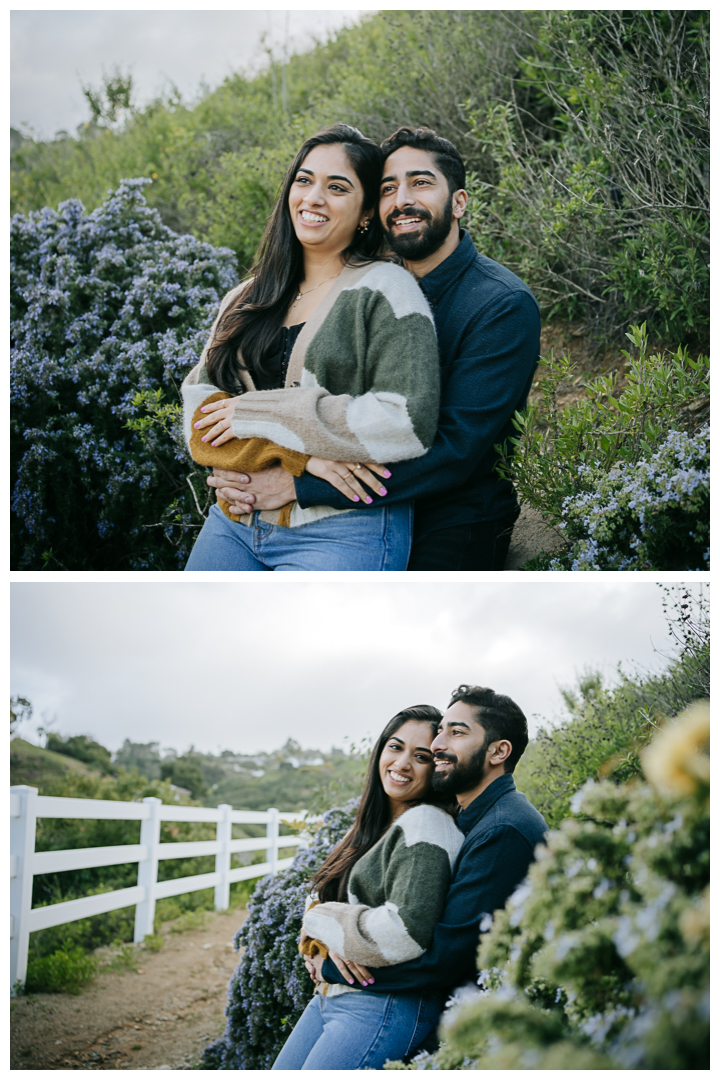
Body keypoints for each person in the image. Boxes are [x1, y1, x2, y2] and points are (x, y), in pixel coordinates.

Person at [209, 127, 541, 571]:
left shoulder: (500, 304)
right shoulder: (367, 288)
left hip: (451, 515)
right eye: (388, 188)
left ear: (459, 202)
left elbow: (457, 450)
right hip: (348, 507)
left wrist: (298, 483)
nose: (402, 200)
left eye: (420, 183)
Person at [182, 123, 440, 571]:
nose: (314, 197)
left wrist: (261, 416)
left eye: (336, 187)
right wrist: (302, 456)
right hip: (236, 520)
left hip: (343, 527)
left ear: (364, 212)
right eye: (305, 180)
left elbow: (407, 421)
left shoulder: (387, 290)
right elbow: (200, 420)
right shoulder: (245, 298)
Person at [303, 685, 548, 1058]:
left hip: (415, 1014)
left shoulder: (503, 829)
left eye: (457, 732)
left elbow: (444, 960)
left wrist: (333, 965)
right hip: (360, 999)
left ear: (499, 751)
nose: (438, 744)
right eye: (441, 730)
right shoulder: (473, 818)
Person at [271, 705, 464, 1071]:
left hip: (382, 1004)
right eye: (396, 746)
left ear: (436, 768)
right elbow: (319, 894)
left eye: (421, 756)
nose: (402, 763)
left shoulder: (426, 824)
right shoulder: (376, 824)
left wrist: (326, 924)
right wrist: (323, 940)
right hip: (333, 995)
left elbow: (404, 930)